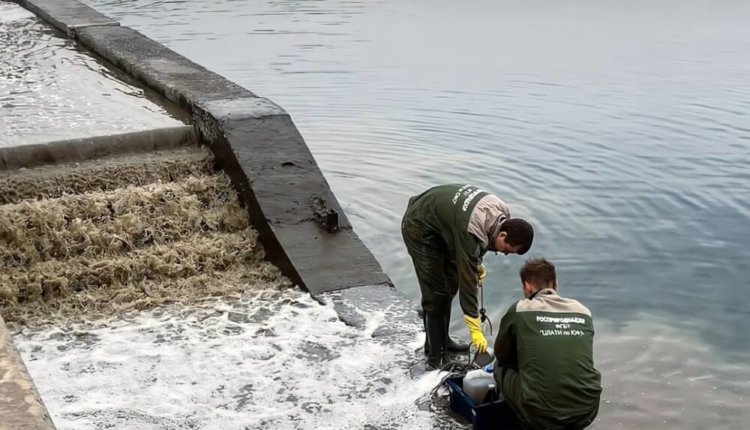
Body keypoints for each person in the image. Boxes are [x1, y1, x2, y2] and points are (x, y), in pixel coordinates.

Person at [401, 184, 534, 369]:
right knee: (436, 294)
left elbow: (478, 243)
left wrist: (475, 263)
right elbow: (468, 285)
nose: (504, 254)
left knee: (450, 286)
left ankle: (443, 341)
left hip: (445, 226)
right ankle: (435, 358)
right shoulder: (472, 229)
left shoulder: (501, 213)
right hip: (419, 226)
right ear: (503, 235)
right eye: (506, 250)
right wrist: (475, 329)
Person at [493, 258, 602, 430]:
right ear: (555, 285)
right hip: (587, 410)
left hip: (541, 416)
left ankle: (515, 420)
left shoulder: (521, 309)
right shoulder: (582, 311)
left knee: (499, 367)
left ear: (527, 287)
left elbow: (501, 354)